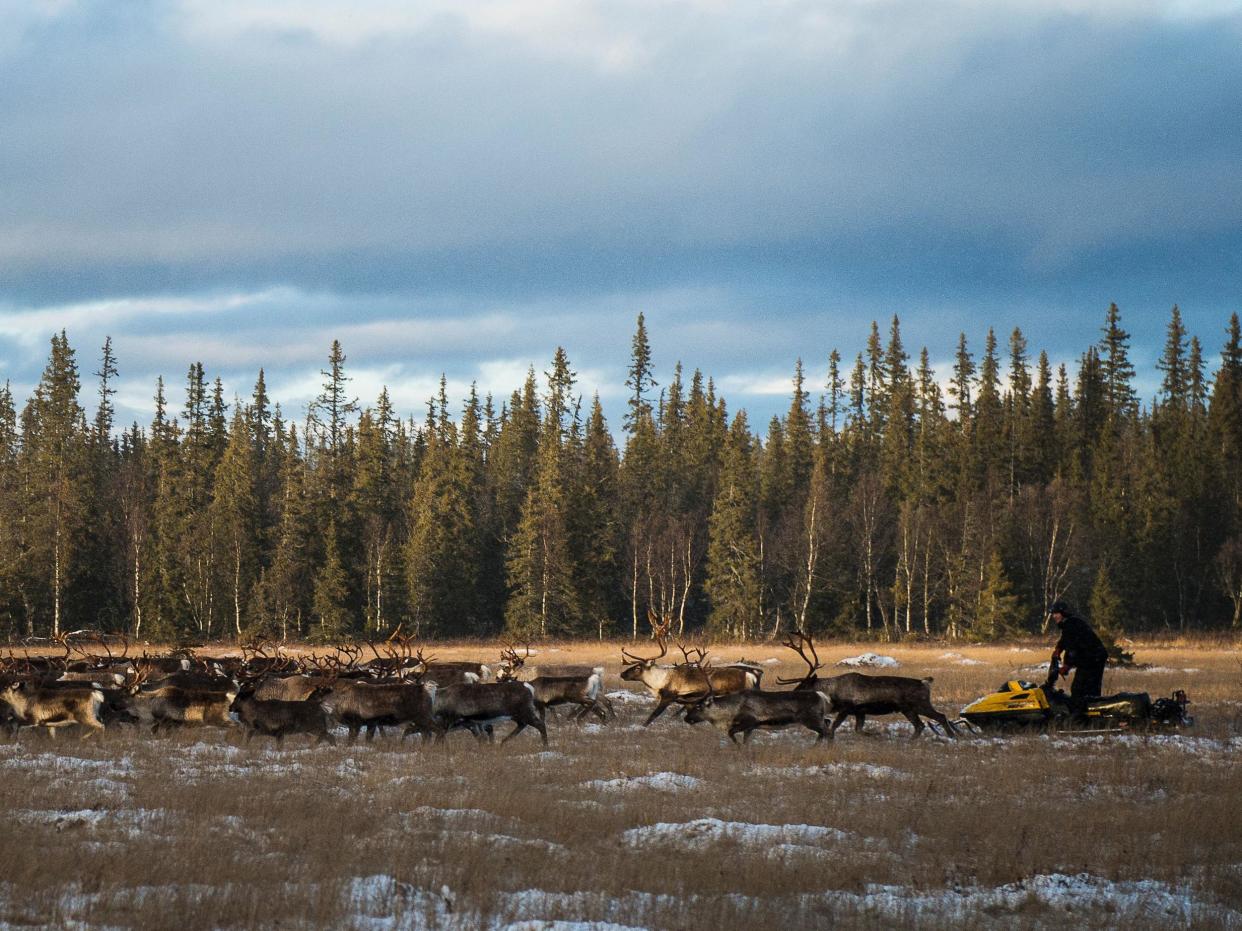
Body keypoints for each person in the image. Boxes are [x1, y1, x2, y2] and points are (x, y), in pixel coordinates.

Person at [1049, 601, 1109, 702]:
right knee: (1090, 689)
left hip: (1092, 659)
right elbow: (1065, 639)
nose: (1054, 616)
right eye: (1053, 614)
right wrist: (1058, 649)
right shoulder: (1070, 623)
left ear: (1063, 613)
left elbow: (1073, 649)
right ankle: (1090, 711)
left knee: (1079, 689)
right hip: (1093, 658)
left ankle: (1081, 715)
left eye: (1056, 613)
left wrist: (1066, 666)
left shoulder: (1070, 625)